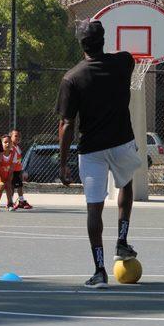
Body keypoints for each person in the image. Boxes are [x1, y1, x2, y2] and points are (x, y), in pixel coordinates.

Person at [56, 19, 142, 289]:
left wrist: (62, 162)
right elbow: (127, 56)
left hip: (91, 150)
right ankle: (122, 240)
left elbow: (67, 124)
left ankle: (100, 271)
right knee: (125, 184)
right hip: (122, 141)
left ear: (81, 44)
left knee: (94, 208)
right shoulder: (124, 63)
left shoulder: (71, 78)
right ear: (103, 40)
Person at [9, 129, 32, 210]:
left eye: (19, 136)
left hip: (18, 170)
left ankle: (17, 201)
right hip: (12, 171)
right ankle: (14, 202)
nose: (18, 137)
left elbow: (19, 161)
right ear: (10, 137)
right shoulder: (10, 147)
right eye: (15, 136)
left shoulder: (17, 147)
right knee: (14, 186)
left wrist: (21, 171)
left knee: (17, 186)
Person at [0, 135, 15, 211]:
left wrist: (9, 179)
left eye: (9, 142)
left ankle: (10, 204)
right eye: (5, 142)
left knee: (8, 186)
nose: (7, 144)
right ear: (1, 144)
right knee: (1, 185)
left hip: (8, 175)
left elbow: (12, 168)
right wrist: (1, 180)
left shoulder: (13, 154)